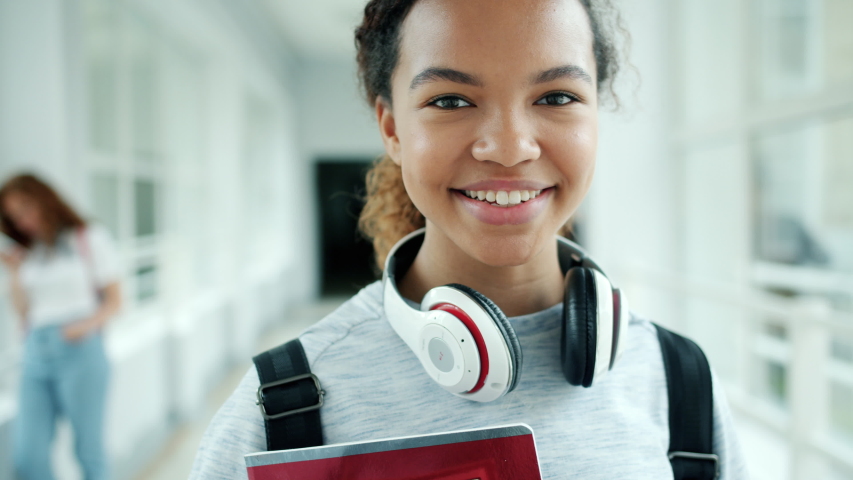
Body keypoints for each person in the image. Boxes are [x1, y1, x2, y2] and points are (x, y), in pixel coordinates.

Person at [190, 0, 748, 478]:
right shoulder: (282, 405)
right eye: (451, 101)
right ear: (392, 129)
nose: (509, 147)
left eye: (556, 97)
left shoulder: (680, 382)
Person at [0, 173, 121, 480]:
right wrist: (14, 272)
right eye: (13, 216)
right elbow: (24, 311)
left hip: (79, 349)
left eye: (26, 208)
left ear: (45, 199)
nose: (23, 220)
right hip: (34, 353)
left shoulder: (87, 237)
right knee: (28, 456)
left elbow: (115, 301)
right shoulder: (27, 252)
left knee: (88, 452)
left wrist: (83, 326)